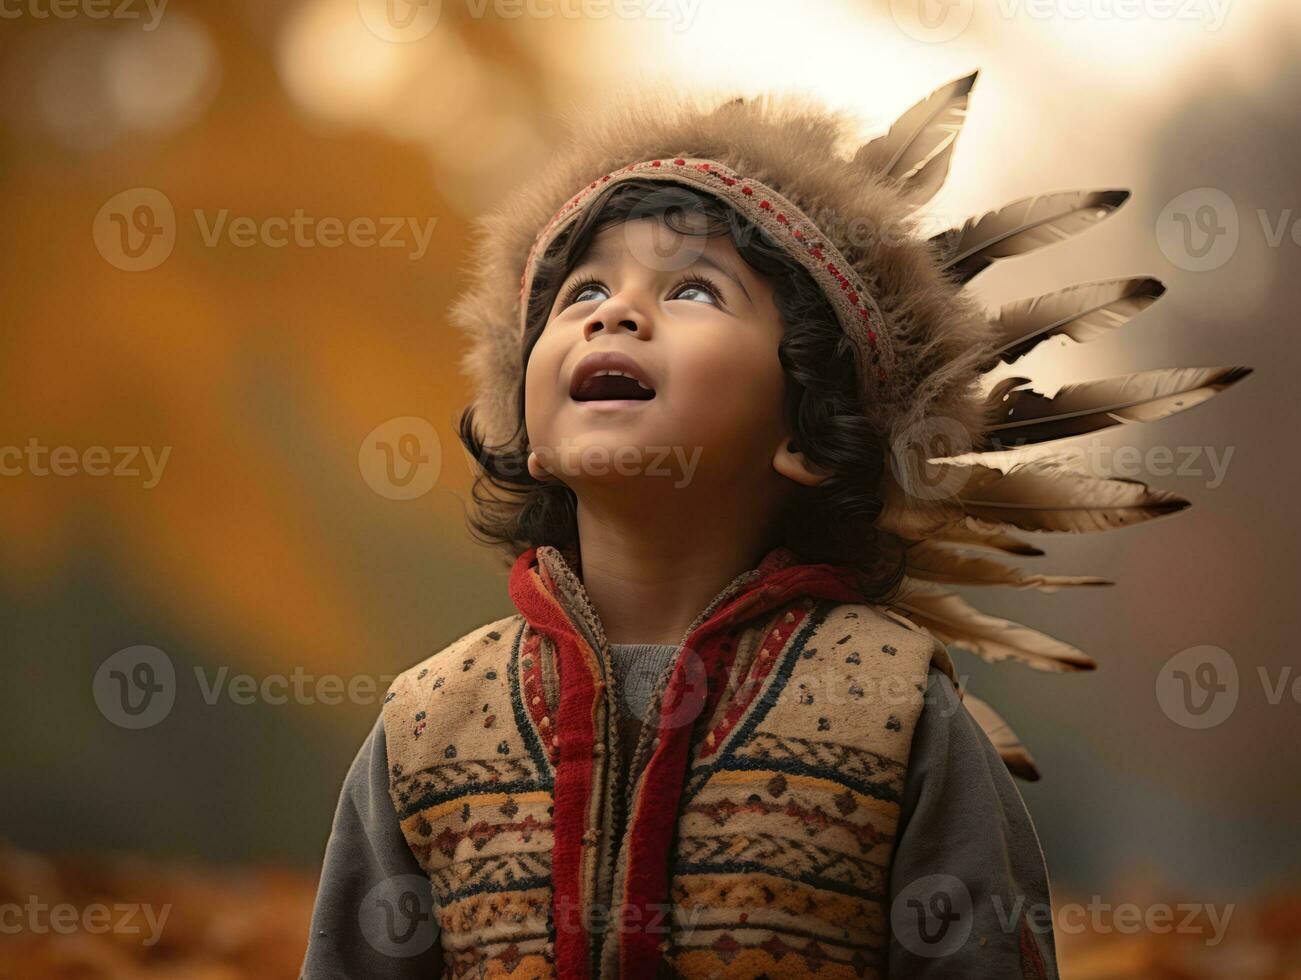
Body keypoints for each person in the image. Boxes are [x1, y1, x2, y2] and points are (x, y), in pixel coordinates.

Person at [303, 72, 1250, 980]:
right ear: (532, 437)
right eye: (581, 293)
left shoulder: (894, 717)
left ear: (807, 433)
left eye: (693, 291)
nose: (616, 314)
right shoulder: (428, 723)